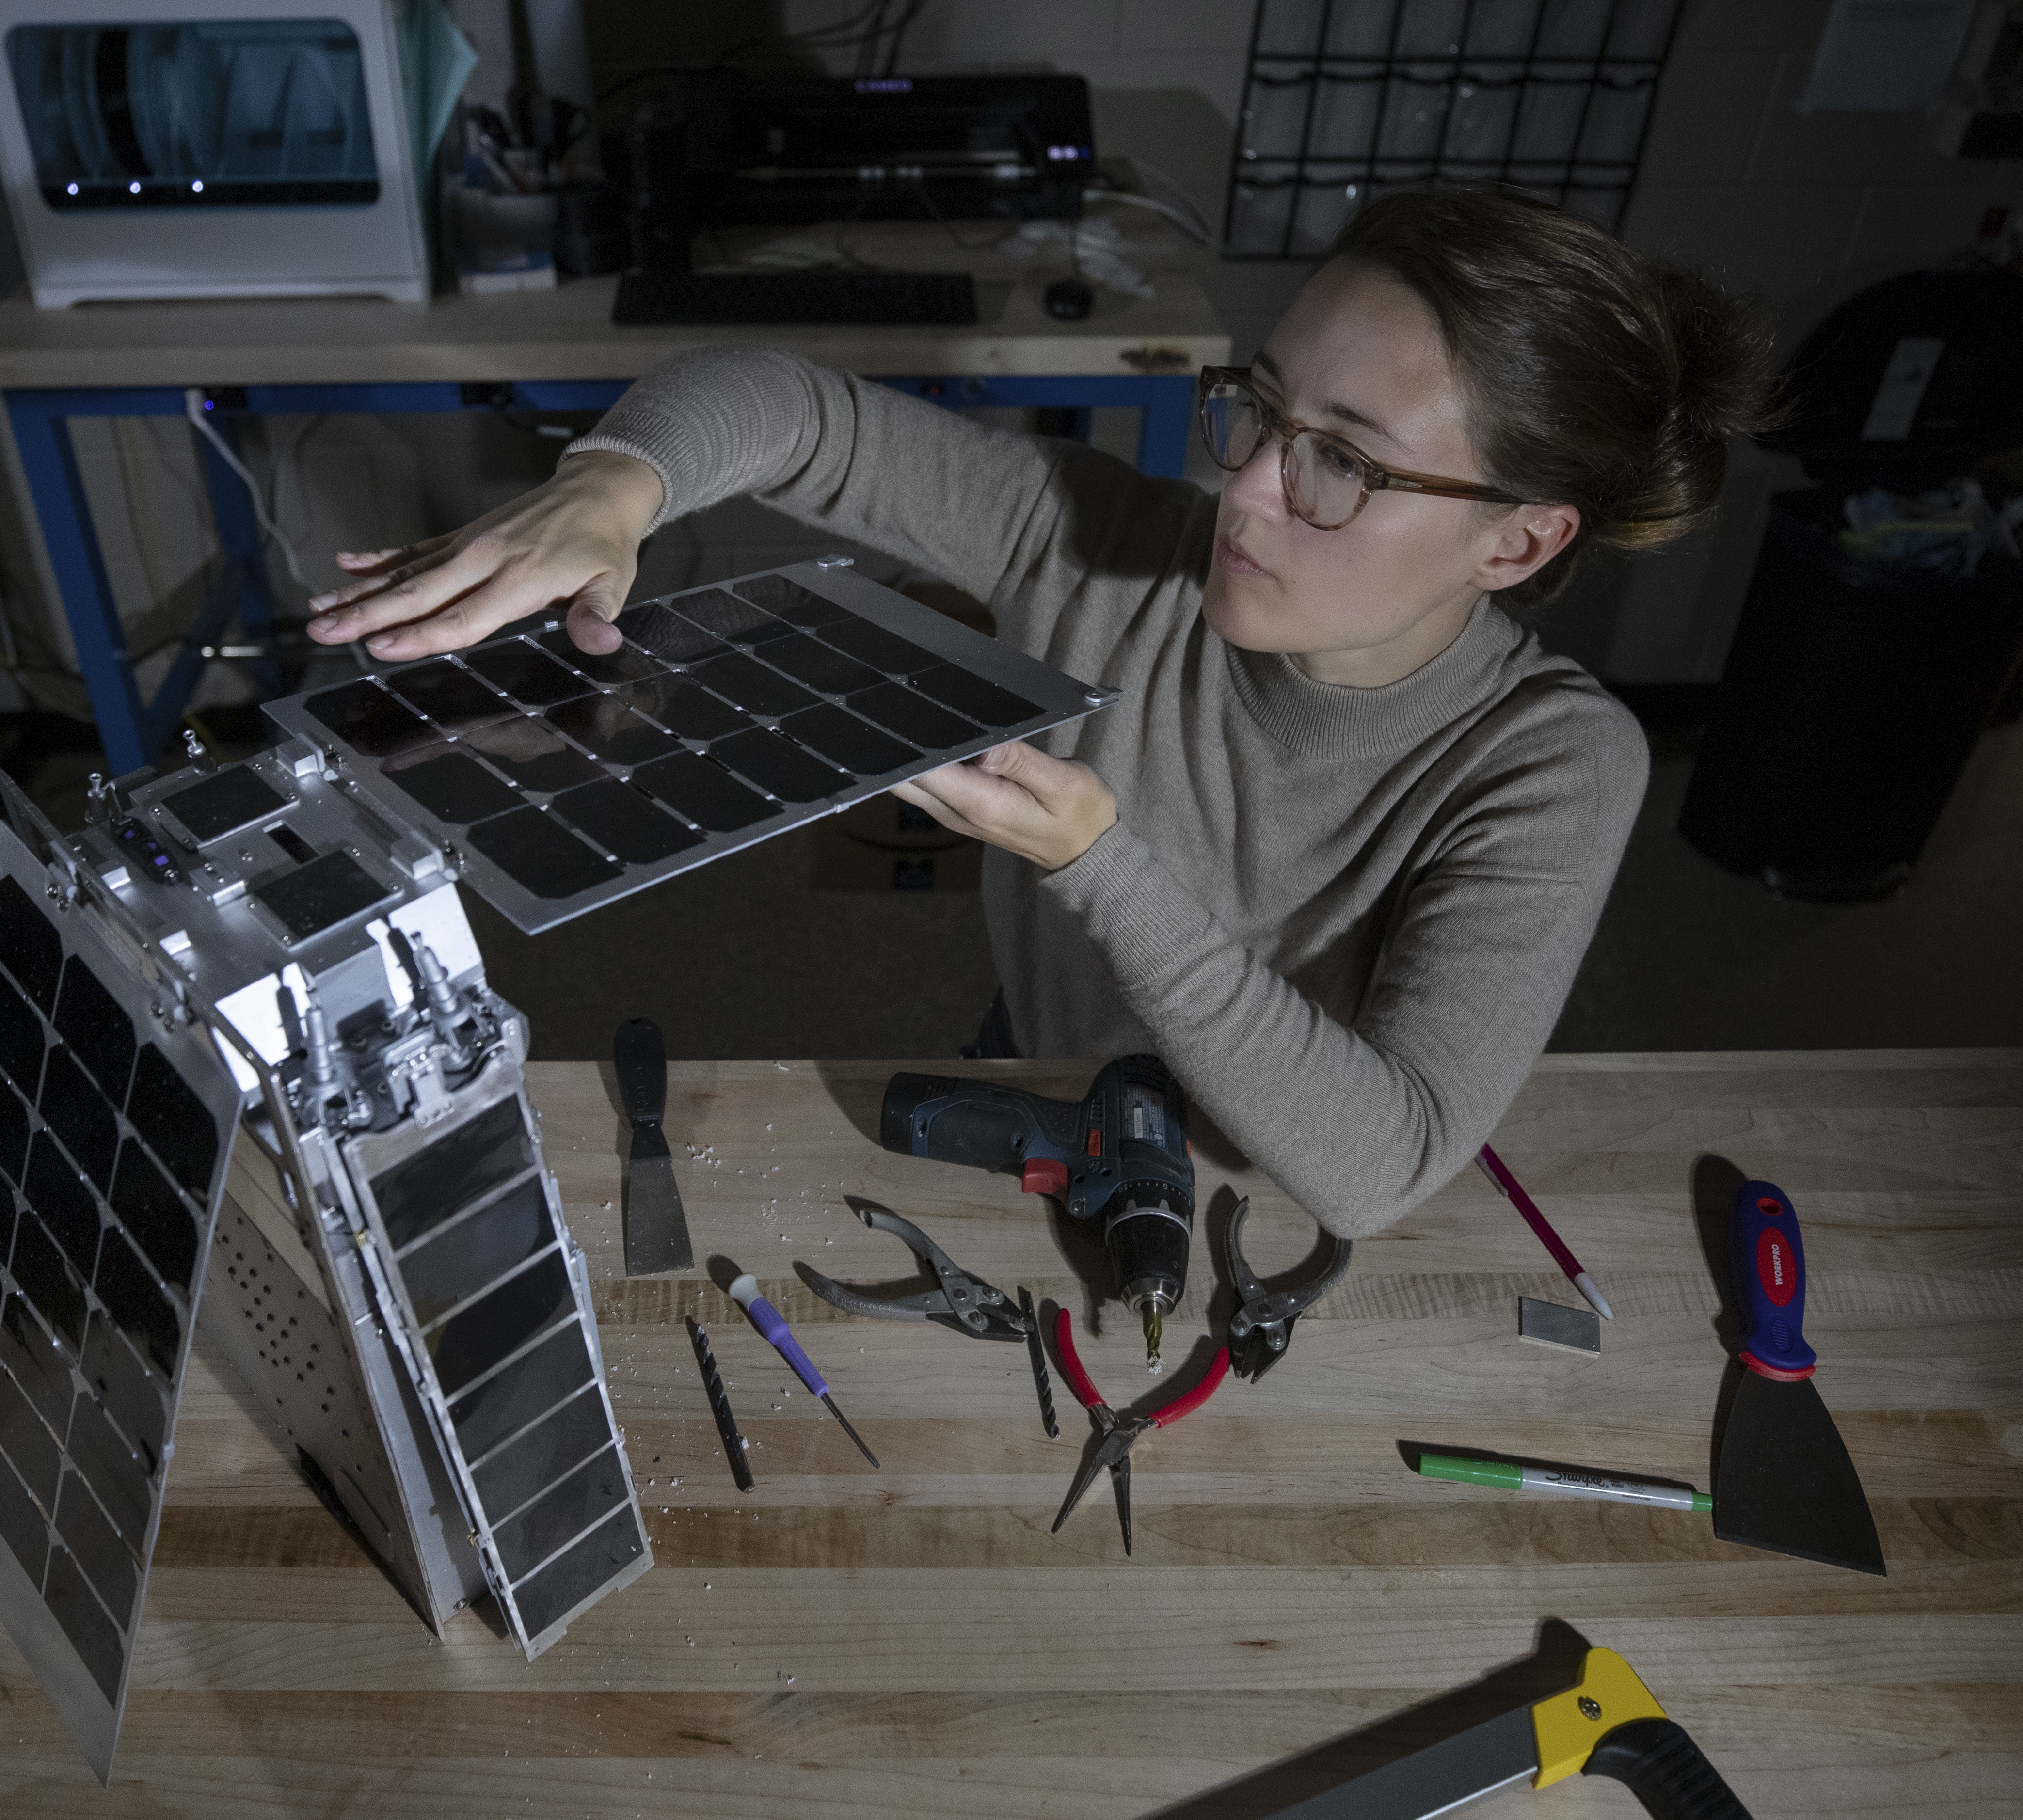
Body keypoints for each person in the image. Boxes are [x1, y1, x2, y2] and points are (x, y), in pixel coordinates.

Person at [300, 185, 1778, 1237]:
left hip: (1265, 1171)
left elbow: (1380, 1163)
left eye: (1344, 464)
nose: (1243, 487)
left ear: (1517, 541)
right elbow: (791, 405)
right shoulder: (1102, 538)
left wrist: (1099, 861)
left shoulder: (1552, 761)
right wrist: (615, 481)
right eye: (1257, 408)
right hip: (1045, 1067)